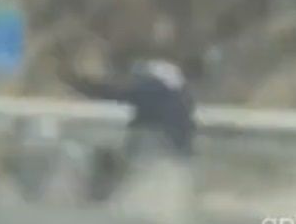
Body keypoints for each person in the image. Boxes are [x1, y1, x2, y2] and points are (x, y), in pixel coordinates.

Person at [59, 57, 196, 161]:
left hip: (154, 144)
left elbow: (116, 92)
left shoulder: (152, 90)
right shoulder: (181, 96)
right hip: (176, 148)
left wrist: (81, 85)